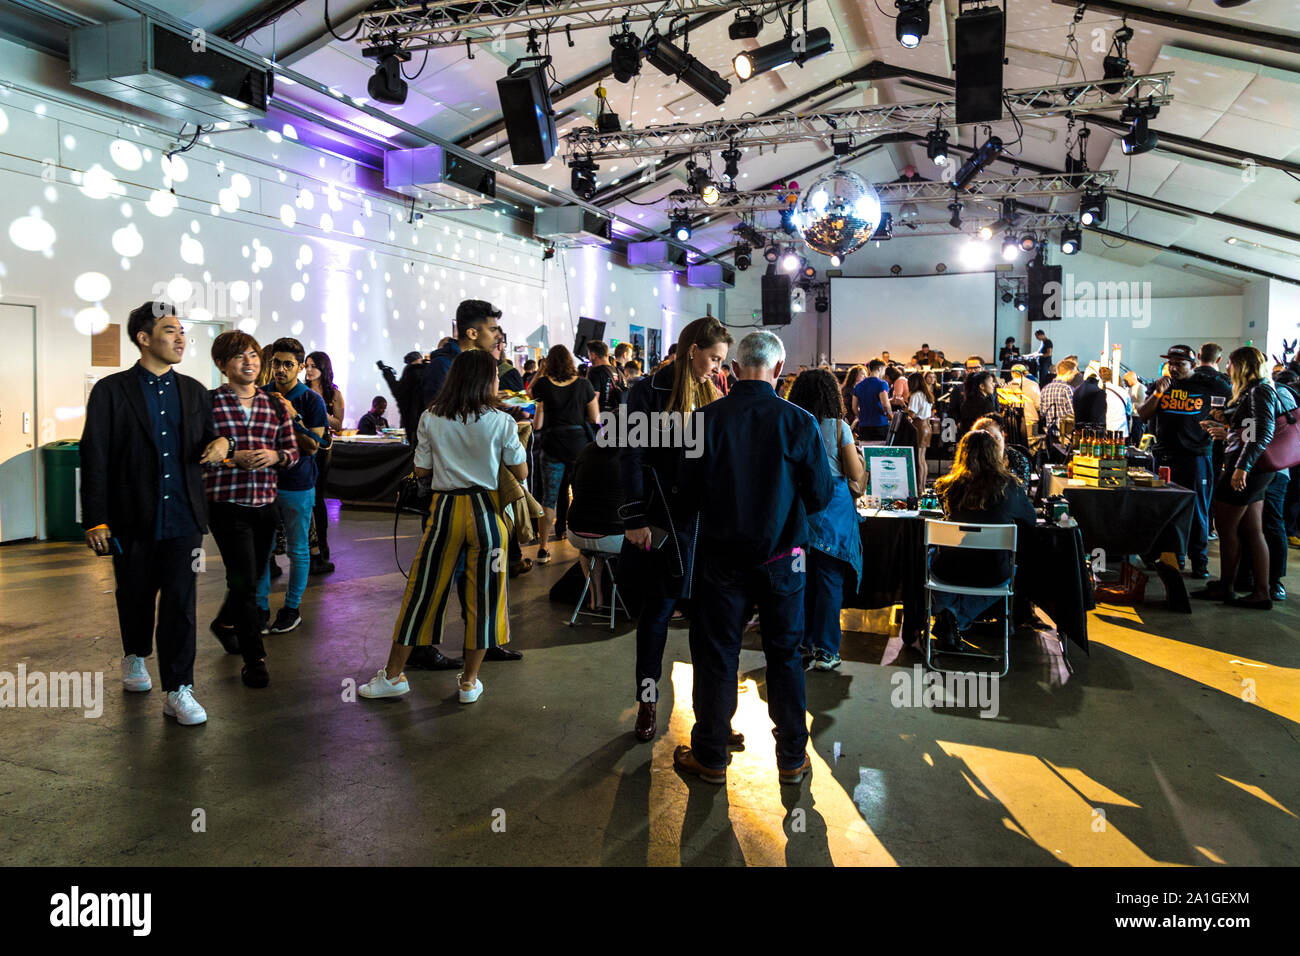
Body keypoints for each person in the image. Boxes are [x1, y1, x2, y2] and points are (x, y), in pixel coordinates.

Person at [673, 331, 834, 786]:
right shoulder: (800, 422)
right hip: (784, 557)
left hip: (722, 558)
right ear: (779, 371)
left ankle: (710, 756)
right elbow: (820, 496)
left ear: (735, 369)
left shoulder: (703, 421)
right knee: (784, 655)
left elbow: (684, 496)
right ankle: (791, 759)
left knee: (718, 653)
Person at [80, 301, 230, 726]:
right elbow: (95, 456)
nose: (181, 338)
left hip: (184, 516)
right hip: (132, 516)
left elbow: (211, 437)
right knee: (135, 594)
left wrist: (223, 445)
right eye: (170, 330)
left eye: (182, 331)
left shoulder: (195, 391)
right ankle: (134, 654)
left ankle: (179, 689)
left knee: (181, 602)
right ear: (144, 339)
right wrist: (95, 518)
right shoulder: (111, 391)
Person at [358, 350, 528, 702]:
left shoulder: (431, 417)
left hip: (445, 510)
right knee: (486, 596)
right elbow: (521, 473)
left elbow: (421, 470)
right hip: (488, 514)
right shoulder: (502, 421)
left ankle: (393, 676)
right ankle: (468, 682)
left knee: (423, 591)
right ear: (488, 381)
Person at [619, 316, 733, 742]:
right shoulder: (645, 391)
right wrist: (634, 518)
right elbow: (629, 456)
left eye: (721, 361)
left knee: (709, 622)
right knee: (656, 617)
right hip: (662, 519)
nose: (717, 367)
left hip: (704, 523)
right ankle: (646, 703)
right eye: (713, 358)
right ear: (692, 349)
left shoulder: (712, 389)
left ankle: (713, 716)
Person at [204, 332, 300, 689]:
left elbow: (292, 452)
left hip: (265, 503)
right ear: (221, 365)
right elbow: (199, 455)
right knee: (243, 581)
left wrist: (276, 456)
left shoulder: (274, 405)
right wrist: (231, 457)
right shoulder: (209, 403)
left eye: (255, 356)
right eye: (240, 357)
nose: (250, 363)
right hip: (227, 505)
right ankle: (255, 659)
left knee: (253, 575)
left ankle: (224, 623)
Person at [1197, 347, 1297, 609]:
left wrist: (1242, 467)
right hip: (1257, 469)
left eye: (1230, 363)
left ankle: (1228, 587)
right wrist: (1227, 428)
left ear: (1241, 366)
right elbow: (1251, 429)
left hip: (1247, 469)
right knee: (1252, 531)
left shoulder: (1259, 391)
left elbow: (1262, 432)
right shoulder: (1260, 389)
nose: (1227, 367)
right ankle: (1259, 591)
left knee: (1228, 528)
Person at [929, 429, 1037, 649]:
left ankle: (948, 614)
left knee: (930, 556)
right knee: (1014, 567)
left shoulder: (946, 487)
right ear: (994, 454)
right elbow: (1031, 519)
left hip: (949, 569)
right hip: (992, 573)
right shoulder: (1011, 487)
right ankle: (959, 618)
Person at [787, 370, 865, 672]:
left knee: (799, 579)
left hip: (798, 510)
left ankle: (801, 643)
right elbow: (855, 474)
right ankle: (827, 650)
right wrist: (859, 459)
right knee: (829, 582)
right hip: (834, 512)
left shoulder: (792, 423)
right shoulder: (838, 427)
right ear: (832, 395)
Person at [255, 338, 328, 634]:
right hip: (262, 483)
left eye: (288, 364)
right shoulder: (260, 395)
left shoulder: (311, 400)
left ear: (300, 367)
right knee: (263, 549)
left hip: (297, 484)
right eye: (277, 363)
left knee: (298, 549)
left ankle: (292, 608)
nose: (281, 369)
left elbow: (313, 446)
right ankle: (260, 609)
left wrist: (292, 416)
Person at [1136, 345, 1223, 578]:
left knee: (1197, 510)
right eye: (1171, 364)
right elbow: (1142, 415)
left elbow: (1232, 406)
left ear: (1193, 365)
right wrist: (1157, 395)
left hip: (1196, 457)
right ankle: (1173, 556)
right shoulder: (1161, 385)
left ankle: (1200, 560)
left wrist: (1222, 424)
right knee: (1165, 509)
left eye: (1180, 364)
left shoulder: (1209, 384)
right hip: (1164, 456)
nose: (1174, 368)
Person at [531, 344, 599, 565]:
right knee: (581, 495)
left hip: (552, 446)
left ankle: (543, 548)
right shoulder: (583, 384)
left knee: (548, 498)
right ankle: (585, 545)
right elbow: (594, 417)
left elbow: (530, 396)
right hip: (579, 448)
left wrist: (541, 372)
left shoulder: (543, 384)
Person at [566, 436, 625, 612]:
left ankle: (595, 596)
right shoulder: (629, 454)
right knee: (648, 541)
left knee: (590, 552)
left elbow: (574, 484)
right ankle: (646, 601)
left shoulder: (586, 450)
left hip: (576, 532)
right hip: (615, 536)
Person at [423, 300, 504, 408]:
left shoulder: (478, 364)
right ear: (472, 333)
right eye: (493, 329)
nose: (498, 336)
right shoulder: (443, 365)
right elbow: (439, 415)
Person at [305, 351, 342, 575]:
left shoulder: (332, 394)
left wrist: (318, 407)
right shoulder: (300, 391)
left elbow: (338, 424)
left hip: (323, 448)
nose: (309, 370)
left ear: (323, 368)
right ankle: (308, 548)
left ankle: (322, 544)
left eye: (314, 366)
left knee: (318, 497)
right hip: (302, 446)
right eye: (307, 365)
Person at [378, 350, 427, 447]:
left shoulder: (411, 373)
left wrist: (387, 373)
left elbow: (398, 392)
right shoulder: (431, 371)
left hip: (413, 422)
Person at [907, 370, 936, 486]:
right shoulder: (926, 394)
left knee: (918, 459)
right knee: (923, 459)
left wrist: (905, 408)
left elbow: (912, 414)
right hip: (927, 427)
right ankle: (922, 487)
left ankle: (918, 488)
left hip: (919, 427)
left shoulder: (915, 395)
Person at [852, 359, 892, 441]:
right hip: (880, 424)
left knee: (866, 452)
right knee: (880, 452)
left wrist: (862, 417)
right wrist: (890, 416)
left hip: (863, 426)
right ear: (880, 369)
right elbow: (885, 405)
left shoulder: (858, 385)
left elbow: (854, 407)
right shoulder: (882, 384)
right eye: (884, 370)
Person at [1040, 356, 1078, 442]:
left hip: (1050, 435)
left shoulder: (1045, 388)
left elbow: (1042, 412)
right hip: (1065, 436)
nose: (1073, 376)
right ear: (1068, 373)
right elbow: (1072, 413)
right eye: (1073, 374)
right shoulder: (1067, 389)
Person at [957, 370, 998, 438]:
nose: (993, 385)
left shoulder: (966, 402)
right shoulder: (986, 404)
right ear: (982, 386)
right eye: (991, 383)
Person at [586, 340, 623, 412]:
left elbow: (594, 399)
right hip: (618, 418)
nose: (589, 359)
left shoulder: (595, 372)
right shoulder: (619, 372)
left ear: (593, 355)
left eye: (589, 355)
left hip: (601, 417)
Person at [1096, 367, 1131, 439]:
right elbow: (1129, 410)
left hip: (1106, 430)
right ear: (1111, 377)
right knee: (1120, 449)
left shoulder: (1099, 392)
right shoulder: (1122, 391)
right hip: (1121, 429)